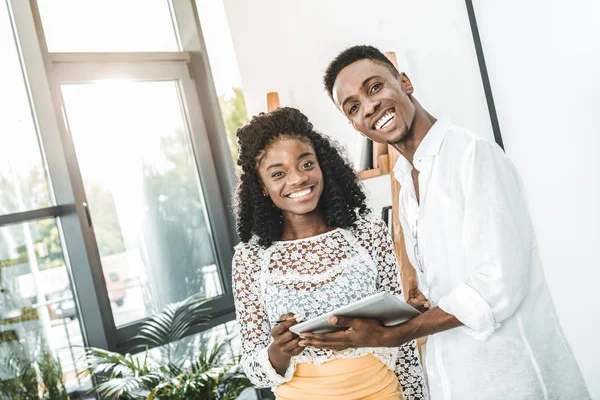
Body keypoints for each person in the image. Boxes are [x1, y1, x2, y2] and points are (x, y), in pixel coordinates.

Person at [297, 45, 591, 399]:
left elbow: (496, 286)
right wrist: (416, 306)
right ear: (356, 127)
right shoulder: (407, 183)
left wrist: (394, 335)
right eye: (354, 107)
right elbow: (451, 286)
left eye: (375, 87)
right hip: (458, 382)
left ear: (404, 82)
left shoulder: (472, 155)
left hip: (517, 382)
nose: (370, 106)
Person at [232, 107, 428, 400]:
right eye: (278, 173)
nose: (298, 179)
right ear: (261, 186)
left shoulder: (367, 232)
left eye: (306, 164)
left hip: (383, 392)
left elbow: (401, 339)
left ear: (322, 165)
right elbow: (254, 370)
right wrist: (279, 350)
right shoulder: (250, 260)